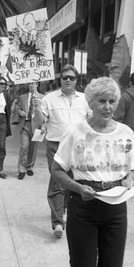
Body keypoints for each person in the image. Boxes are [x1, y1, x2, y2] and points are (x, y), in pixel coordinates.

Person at [51, 76, 134, 267]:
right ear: (90, 103)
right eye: (102, 100)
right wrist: (78, 188)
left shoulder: (126, 133)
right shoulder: (76, 133)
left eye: (112, 100)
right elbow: (57, 170)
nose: (108, 106)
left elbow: (131, 171)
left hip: (116, 207)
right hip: (83, 207)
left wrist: (128, 179)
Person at [34, 64, 90, 238]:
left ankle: (63, 208)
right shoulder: (48, 99)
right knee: (58, 180)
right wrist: (36, 107)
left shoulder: (84, 99)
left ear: (76, 80)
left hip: (79, 147)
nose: (68, 80)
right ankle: (58, 222)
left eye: (71, 78)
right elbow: (39, 123)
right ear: (60, 79)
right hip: (56, 146)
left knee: (73, 181)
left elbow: (91, 120)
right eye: (65, 77)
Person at [17, 82, 43, 179]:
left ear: (37, 85)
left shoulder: (42, 97)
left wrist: (44, 126)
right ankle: (21, 169)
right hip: (25, 124)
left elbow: (45, 113)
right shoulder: (23, 97)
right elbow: (18, 108)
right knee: (24, 146)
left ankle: (30, 167)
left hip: (37, 125)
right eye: (29, 84)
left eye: (33, 84)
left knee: (33, 148)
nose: (31, 86)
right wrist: (20, 112)